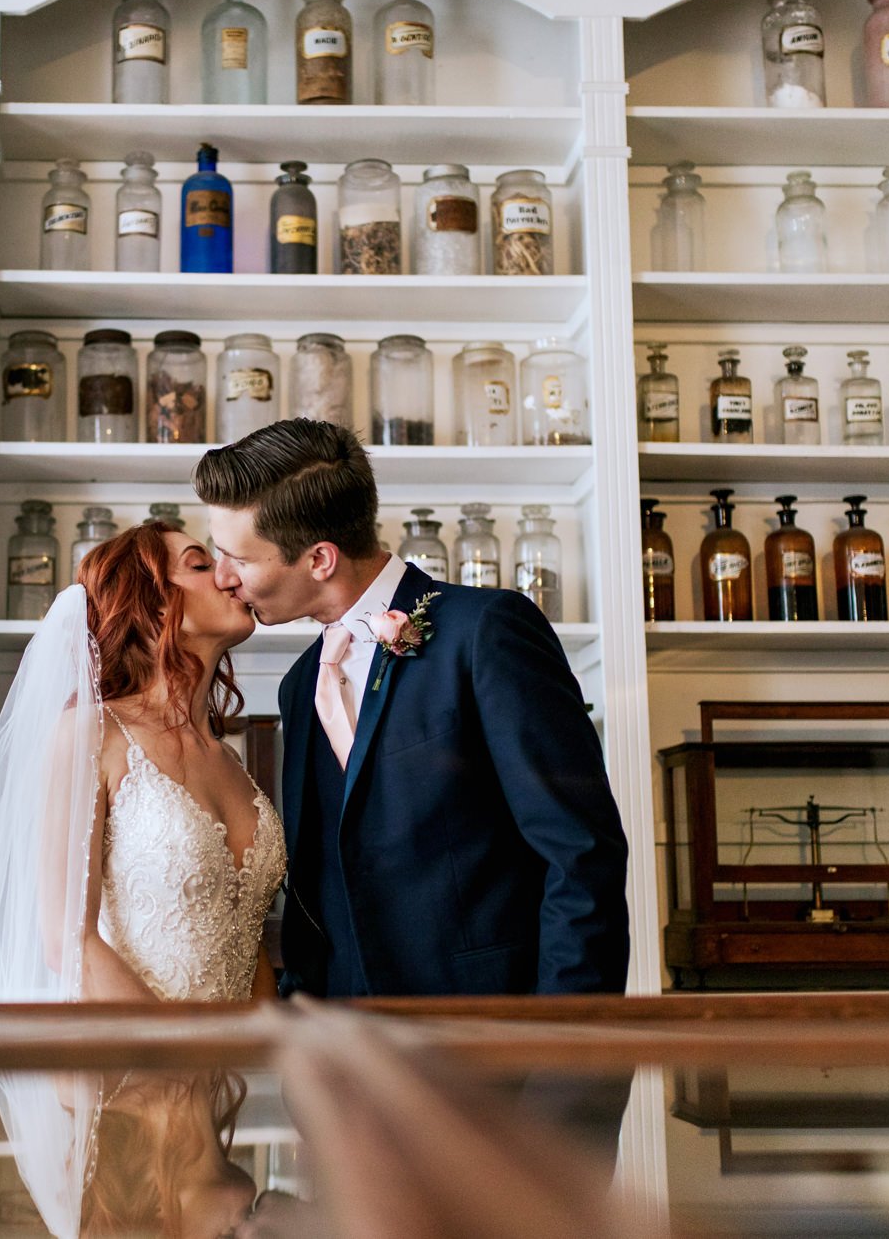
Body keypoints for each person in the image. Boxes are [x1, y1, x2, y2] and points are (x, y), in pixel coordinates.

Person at [195, 418, 629, 997]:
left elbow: (581, 853)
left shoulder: (486, 632)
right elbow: (318, 882)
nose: (223, 578)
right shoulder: (299, 686)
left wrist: (572, 1053)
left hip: (495, 1036)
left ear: (320, 559)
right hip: (346, 1051)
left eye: (237, 559)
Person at [0, 521, 285, 1239]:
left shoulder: (233, 763)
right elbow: (65, 935)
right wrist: (174, 1065)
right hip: (125, 1078)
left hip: (225, 1091)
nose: (231, 575)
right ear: (152, 603)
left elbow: (244, 929)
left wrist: (265, 1055)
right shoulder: (91, 735)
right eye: (201, 564)